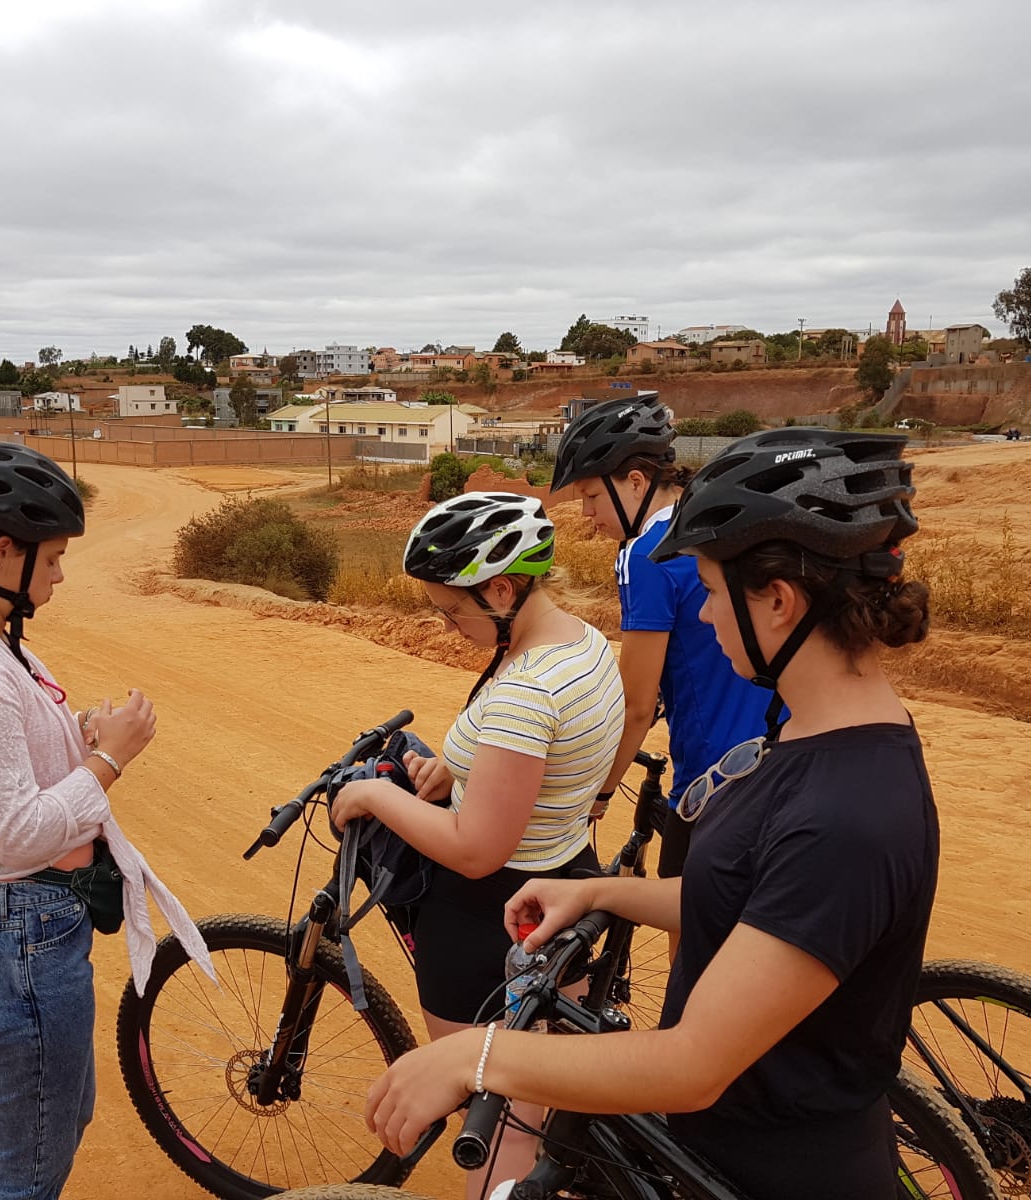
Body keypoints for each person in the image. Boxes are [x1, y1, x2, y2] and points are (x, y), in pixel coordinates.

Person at [360, 429, 936, 1200]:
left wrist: (475, 1057)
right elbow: (756, 904)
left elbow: (693, 1064)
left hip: (766, 1171)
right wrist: (602, 893)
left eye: (710, 590)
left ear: (779, 601)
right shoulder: (812, 740)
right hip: (720, 1153)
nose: (704, 617)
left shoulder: (846, 814)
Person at [0, 442, 211, 1200]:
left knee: (54, 1124)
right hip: (18, 943)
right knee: (28, 1168)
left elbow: (15, 759)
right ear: (4, 552)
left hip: (26, 932)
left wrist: (79, 733)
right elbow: (17, 832)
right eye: (56, 556)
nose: (62, 575)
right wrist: (111, 759)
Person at [328, 491, 624, 1198]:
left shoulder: (525, 689)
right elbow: (543, 770)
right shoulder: (583, 646)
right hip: (564, 883)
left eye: (451, 611)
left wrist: (376, 797)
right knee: (548, 1096)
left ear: (500, 590)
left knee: (498, 1126)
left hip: (487, 915)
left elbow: (475, 850)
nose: (448, 626)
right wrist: (458, 771)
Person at [551, 398, 767, 885]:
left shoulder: (646, 555)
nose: (586, 513)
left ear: (635, 482)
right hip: (781, 757)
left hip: (715, 776)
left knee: (683, 919)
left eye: (591, 495)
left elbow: (636, 707)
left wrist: (599, 793)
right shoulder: (719, 523)